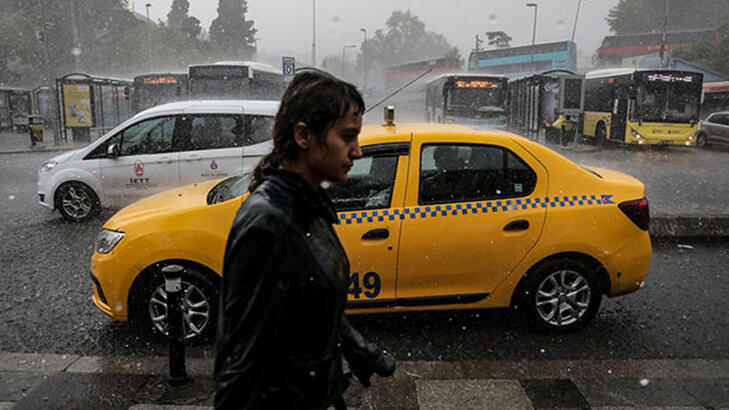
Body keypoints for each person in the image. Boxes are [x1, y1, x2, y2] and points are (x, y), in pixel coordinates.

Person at [215, 70, 395, 410]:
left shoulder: (307, 205)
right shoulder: (269, 225)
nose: (357, 152)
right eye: (347, 137)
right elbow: (239, 357)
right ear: (303, 136)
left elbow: (312, 301)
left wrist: (359, 351)